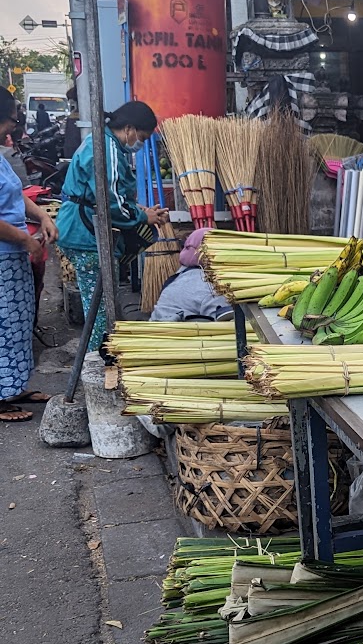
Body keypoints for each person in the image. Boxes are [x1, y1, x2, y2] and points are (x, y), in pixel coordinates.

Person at [57, 99, 168, 352]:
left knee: (101, 301)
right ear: (129, 129)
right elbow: (111, 202)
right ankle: (96, 364)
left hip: (79, 229)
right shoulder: (108, 149)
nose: (139, 144)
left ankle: (102, 353)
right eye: (141, 137)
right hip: (85, 236)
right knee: (98, 308)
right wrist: (143, 218)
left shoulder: (104, 143)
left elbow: (107, 195)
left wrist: (141, 210)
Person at [0, 89, 58, 421]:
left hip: (13, 253)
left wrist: (44, 217)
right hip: (4, 252)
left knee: (19, 321)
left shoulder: (1, 156)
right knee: (3, 324)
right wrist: (24, 240)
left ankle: (13, 386)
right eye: (11, 118)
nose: (13, 125)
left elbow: (17, 196)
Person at [150, 228, 234, 323]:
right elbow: (225, 319)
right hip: (179, 333)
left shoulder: (180, 275)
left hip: (156, 326)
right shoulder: (209, 286)